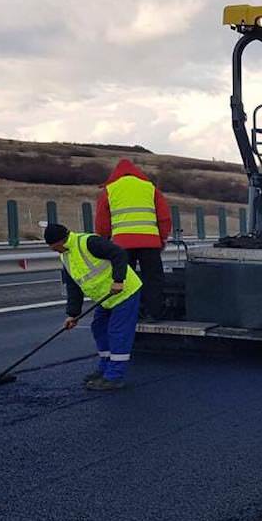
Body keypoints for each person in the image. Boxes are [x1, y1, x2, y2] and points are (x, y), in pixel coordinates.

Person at [45, 222, 142, 391]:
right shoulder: (65, 256)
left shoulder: (88, 242)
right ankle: (105, 369)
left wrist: (119, 280)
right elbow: (73, 286)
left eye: (54, 247)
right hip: (105, 298)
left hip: (125, 293)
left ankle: (114, 377)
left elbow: (119, 254)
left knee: (117, 333)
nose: (53, 251)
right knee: (98, 328)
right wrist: (72, 314)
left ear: (62, 241)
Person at [95, 159, 171, 321]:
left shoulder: (110, 190)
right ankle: (153, 313)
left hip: (122, 245)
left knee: (124, 281)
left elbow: (102, 221)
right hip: (150, 243)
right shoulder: (149, 188)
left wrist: (104, 241)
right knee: (153, 279)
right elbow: (164, 217)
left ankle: (128, 314)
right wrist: (162, 239)